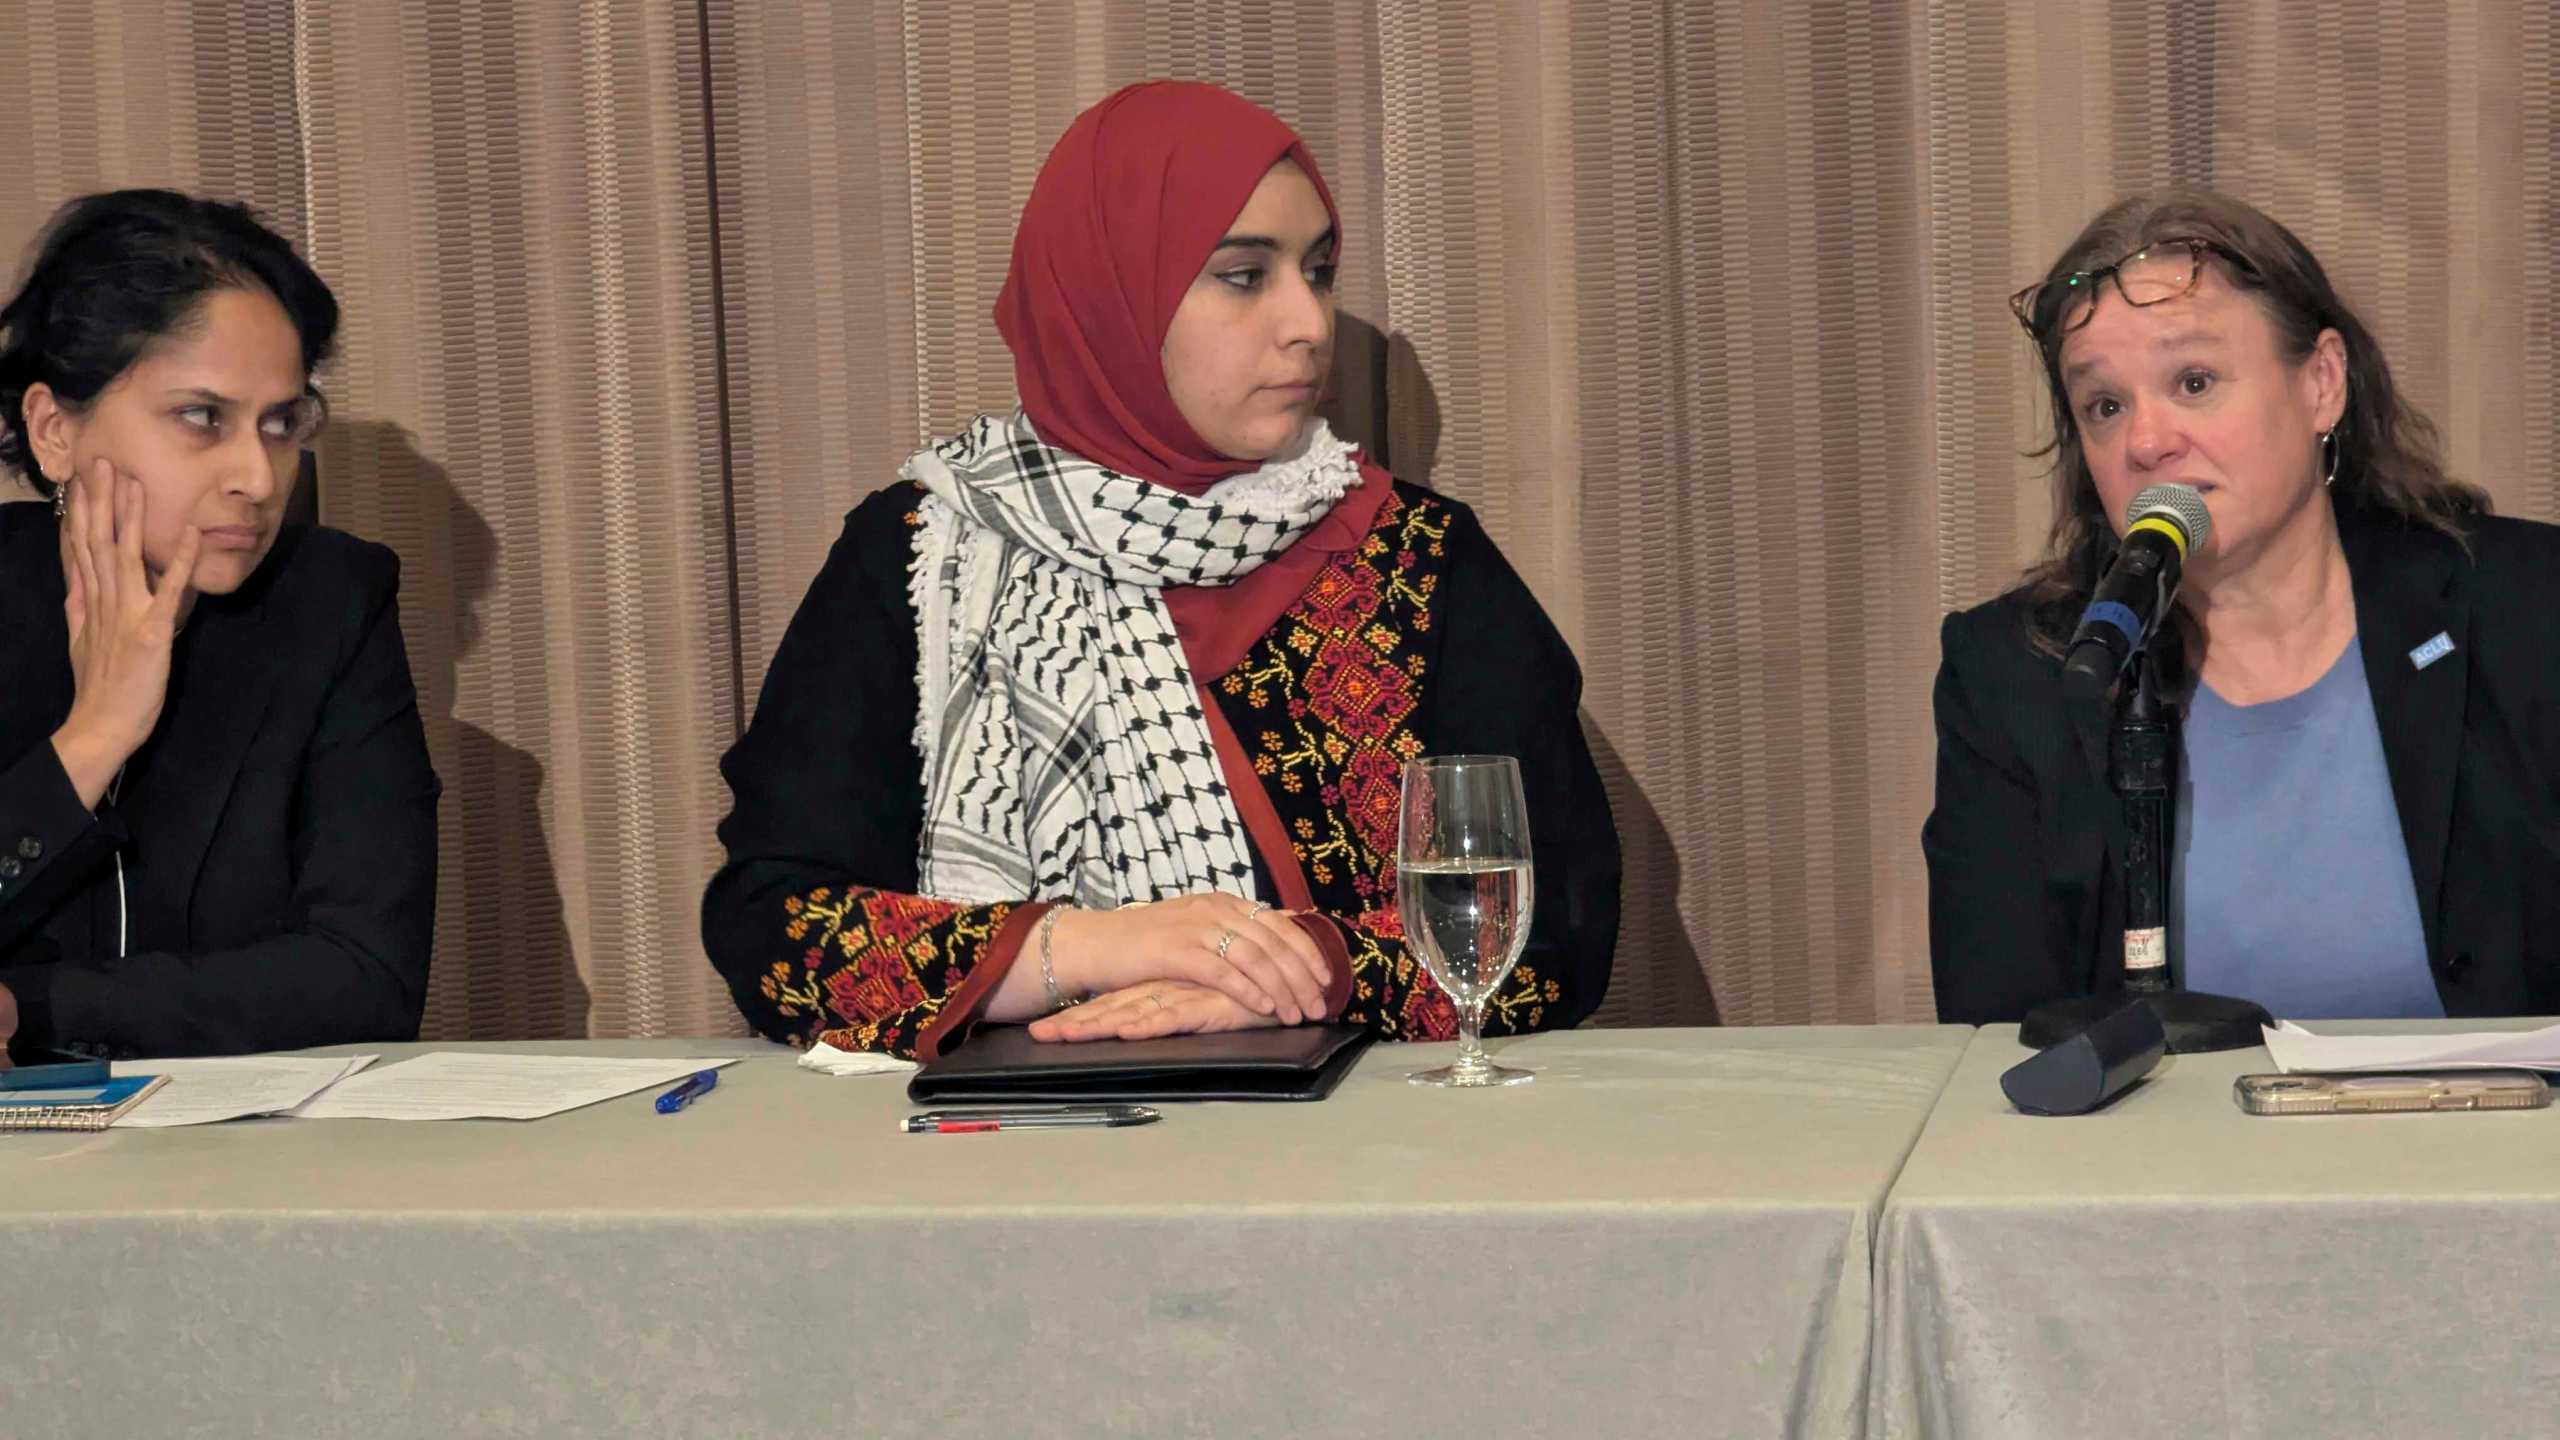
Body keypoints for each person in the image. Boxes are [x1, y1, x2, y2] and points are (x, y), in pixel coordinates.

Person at [703, 81, 1619, 1060]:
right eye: (1242, 275)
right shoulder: (925, 555)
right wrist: (1091, 949)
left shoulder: (1411, 559)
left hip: (1363, 1148)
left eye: (1317, 271)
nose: (1307, 323)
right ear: (1105, 292)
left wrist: (1289, 975)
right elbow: (774, 934)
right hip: (988, 1163)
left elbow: (1552, 927)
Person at [1926, 187, 2560, 1025]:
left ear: (2322, 384)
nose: (2147, 442)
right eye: (2105, 406)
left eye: (2193, 381)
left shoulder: (2527, 609)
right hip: (2161, 1158)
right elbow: (1997, 1039)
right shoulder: (2022, 673)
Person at [0, 190, 439, 1063]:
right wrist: (93, 739)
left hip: (248, 1173)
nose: (258, 475)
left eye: (280, 425)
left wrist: (29, 1007)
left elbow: (365, 975)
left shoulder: (330, 603)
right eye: (202, 418)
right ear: (54, 431)